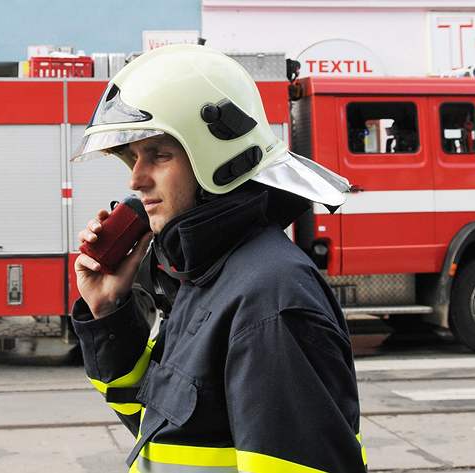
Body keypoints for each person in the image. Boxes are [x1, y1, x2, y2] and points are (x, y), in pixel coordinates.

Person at [70, 44, 368, 473]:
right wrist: (107, 313)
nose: (136, 179)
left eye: (159, 155)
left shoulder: (270, 298)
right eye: (134, 158)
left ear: (219, 160)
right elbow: (158, 427)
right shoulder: (208, 278)